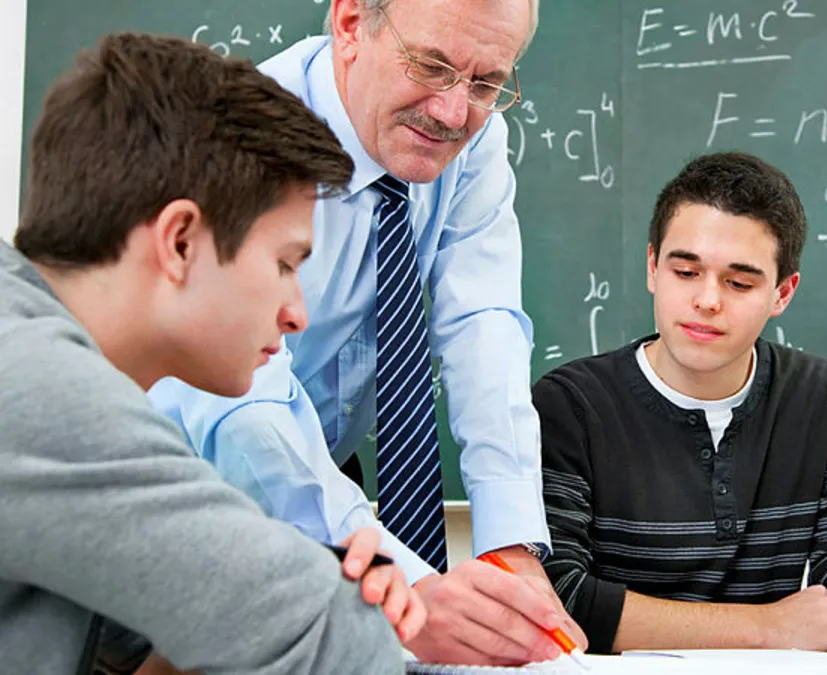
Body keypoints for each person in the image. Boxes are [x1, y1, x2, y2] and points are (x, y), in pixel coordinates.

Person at [147, 0, 585, 666]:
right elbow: (244, 412)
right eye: (430, 66)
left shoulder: (474, 133)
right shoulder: (239, 138)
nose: (452, 112)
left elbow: (483, 323)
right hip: (181, 472)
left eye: (486, 82)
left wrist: (509, 546)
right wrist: (407, 591)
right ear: (351, 24)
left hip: (321, 465)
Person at [0, 33, 423, 674]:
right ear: (180, 242)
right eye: (285, 264)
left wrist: (321, 592)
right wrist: (339, 606)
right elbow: (335, 647)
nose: (297, 313)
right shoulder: (45, 392)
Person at [534, 152, 827, 668]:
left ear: (783, 293)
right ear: (652, 267)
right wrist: (766, 628)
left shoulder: (826, 399)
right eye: (685, 271)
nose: (707, 300)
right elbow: (555, 595)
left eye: (739, 283)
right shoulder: (570, 405)